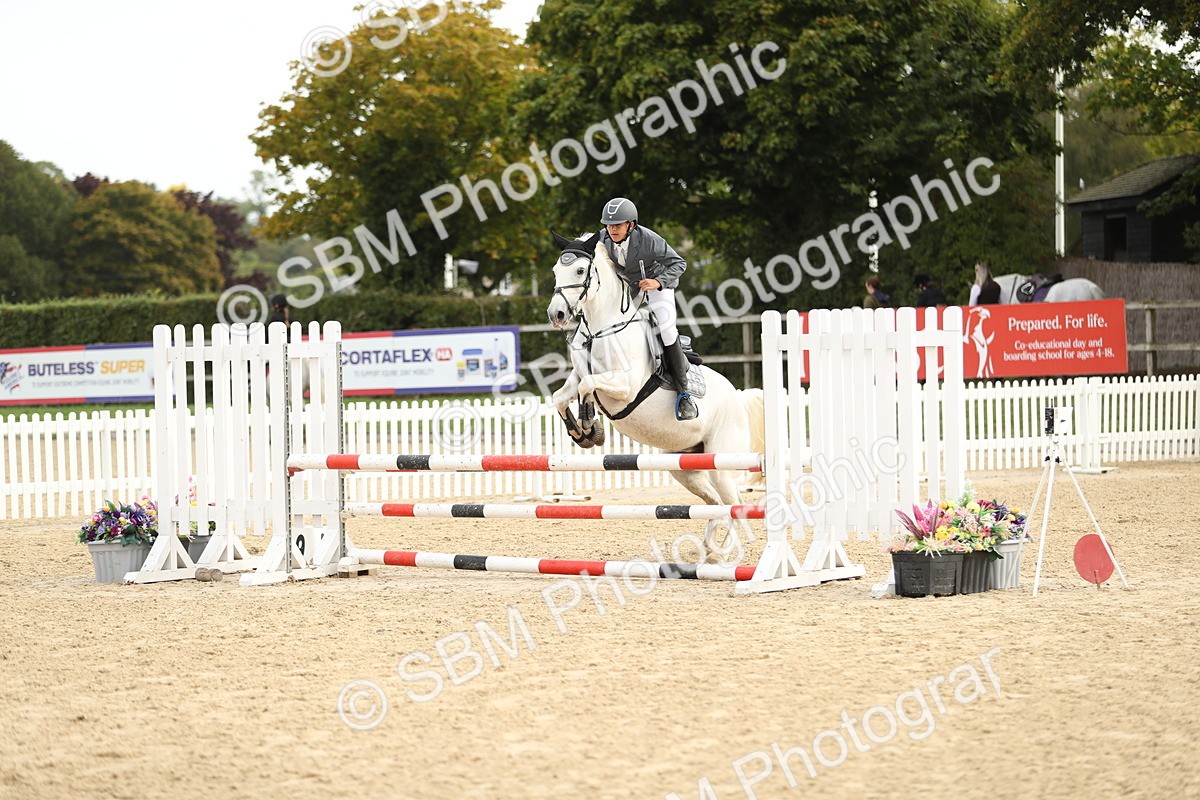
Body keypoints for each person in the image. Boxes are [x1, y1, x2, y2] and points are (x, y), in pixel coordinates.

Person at [598, 197, 697, 421]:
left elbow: (679, 263)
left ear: (631, 225)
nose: (613, 229)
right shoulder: (602, 239)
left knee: (667, 329)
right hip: (630, 286)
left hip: (657, 282)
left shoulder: (648, 239)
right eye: (610, 224)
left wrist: (658, 282)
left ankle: (684, 393)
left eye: (618, 224)